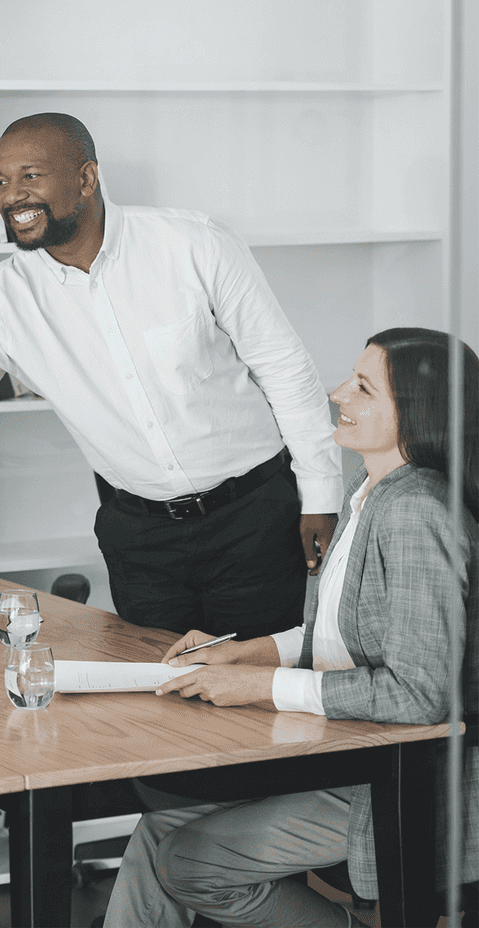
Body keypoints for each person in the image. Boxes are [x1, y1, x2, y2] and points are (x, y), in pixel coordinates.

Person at [0, 112, 341, 639]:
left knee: (260, 697)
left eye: (30, 177)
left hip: (254, 519)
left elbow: (284, 367)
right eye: (1, 181)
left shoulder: (194, 245)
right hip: (140, 538)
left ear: (86, 177)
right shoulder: (4, 299)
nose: (10, 198)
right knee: (164, 707)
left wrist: (321, 490)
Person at [102, 327, 478, 928]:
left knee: (188, 861)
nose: (337, 394)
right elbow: (337, 635)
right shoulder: (371, 494)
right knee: (160, 827)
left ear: (417, 413)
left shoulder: (416, 513)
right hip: (345, 754)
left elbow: (419, 694)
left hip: (397, 782)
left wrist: (261, 687)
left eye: (362, 388)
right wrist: (239, 656)